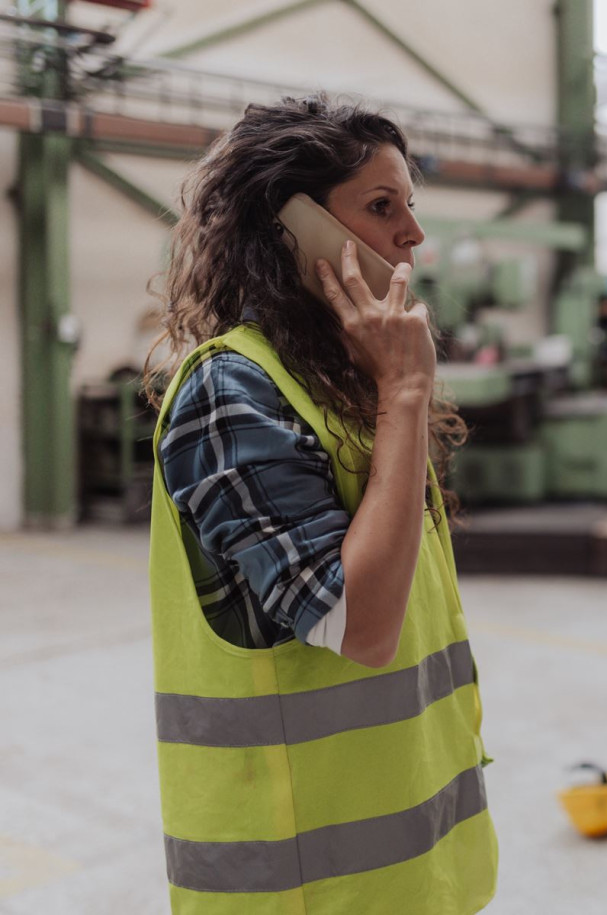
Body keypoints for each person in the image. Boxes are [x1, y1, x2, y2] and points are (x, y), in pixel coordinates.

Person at [143, 95, 496, 914]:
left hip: (410, 863)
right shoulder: (233, 390)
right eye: (381, 208)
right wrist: (406, 388)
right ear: (291, 225)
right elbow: (361, 625)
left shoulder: (335, 387)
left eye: (410, 206)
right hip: (303, 881)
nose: (411, 234)